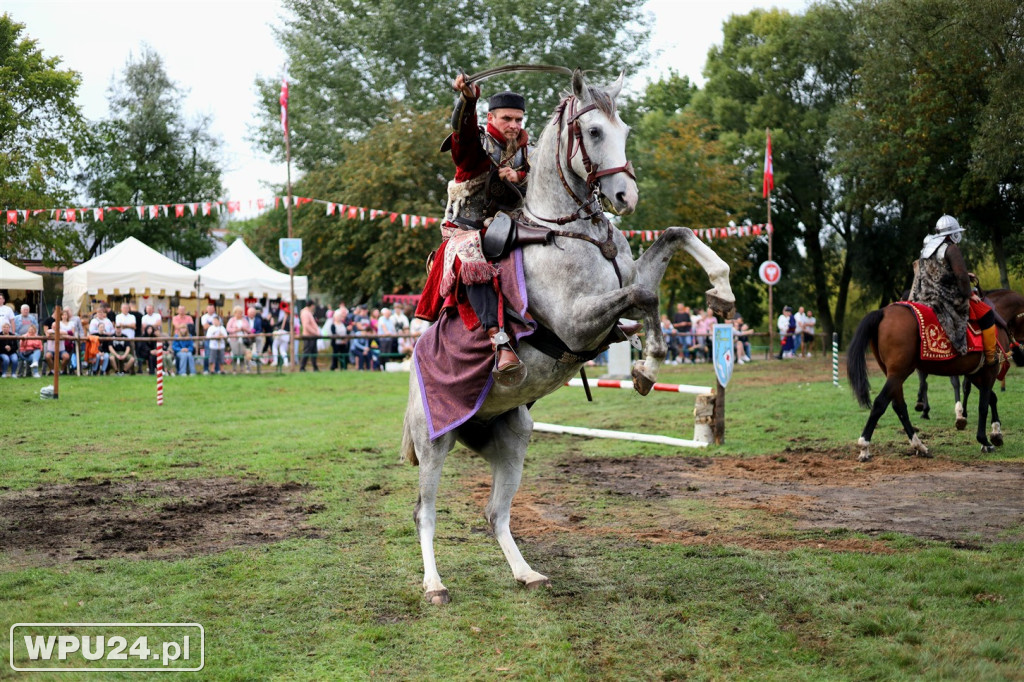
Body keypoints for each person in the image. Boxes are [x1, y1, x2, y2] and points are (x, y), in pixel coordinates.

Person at [415, 74, 531, 378]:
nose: (514, 125)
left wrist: (519, 178)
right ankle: (499, 340)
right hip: (464, 231)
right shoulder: (475, 144)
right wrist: (468, 99)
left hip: (508, 226)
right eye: (507, 118)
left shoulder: (525, 150)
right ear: (491, 117)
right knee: (471, 258)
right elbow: (462, 132)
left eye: (519, 119)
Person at [909, 214, 997, 364]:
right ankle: (990, 358)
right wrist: (969, 295)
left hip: (924, 297)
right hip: (947, 298)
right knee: (987, 313)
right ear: (953, 234)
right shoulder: (951, 248)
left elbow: (934, 273)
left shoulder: (927, 249)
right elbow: (961, 277)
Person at [226, 305, 251, 373]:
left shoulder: (245, 320)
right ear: (235, 313)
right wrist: (236, 330)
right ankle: (234, 369)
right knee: (235, 354)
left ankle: (242, 369)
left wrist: (244, 329)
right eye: (238, 312)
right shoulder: (232, 320)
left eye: (241, 312)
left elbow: (249, 329)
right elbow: (228, 329)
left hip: (243, 339)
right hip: (234, 339)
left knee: (242, 354)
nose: (240, 314)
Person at [299, 299, 320, 371]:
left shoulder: (309, 313)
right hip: (308, 336)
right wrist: (315, 332)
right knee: (307, 352)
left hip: (312, 336)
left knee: (314, 352)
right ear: (311, 305)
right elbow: (306, 325)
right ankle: (302, 367)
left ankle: (315, 367)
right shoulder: (305, 313)